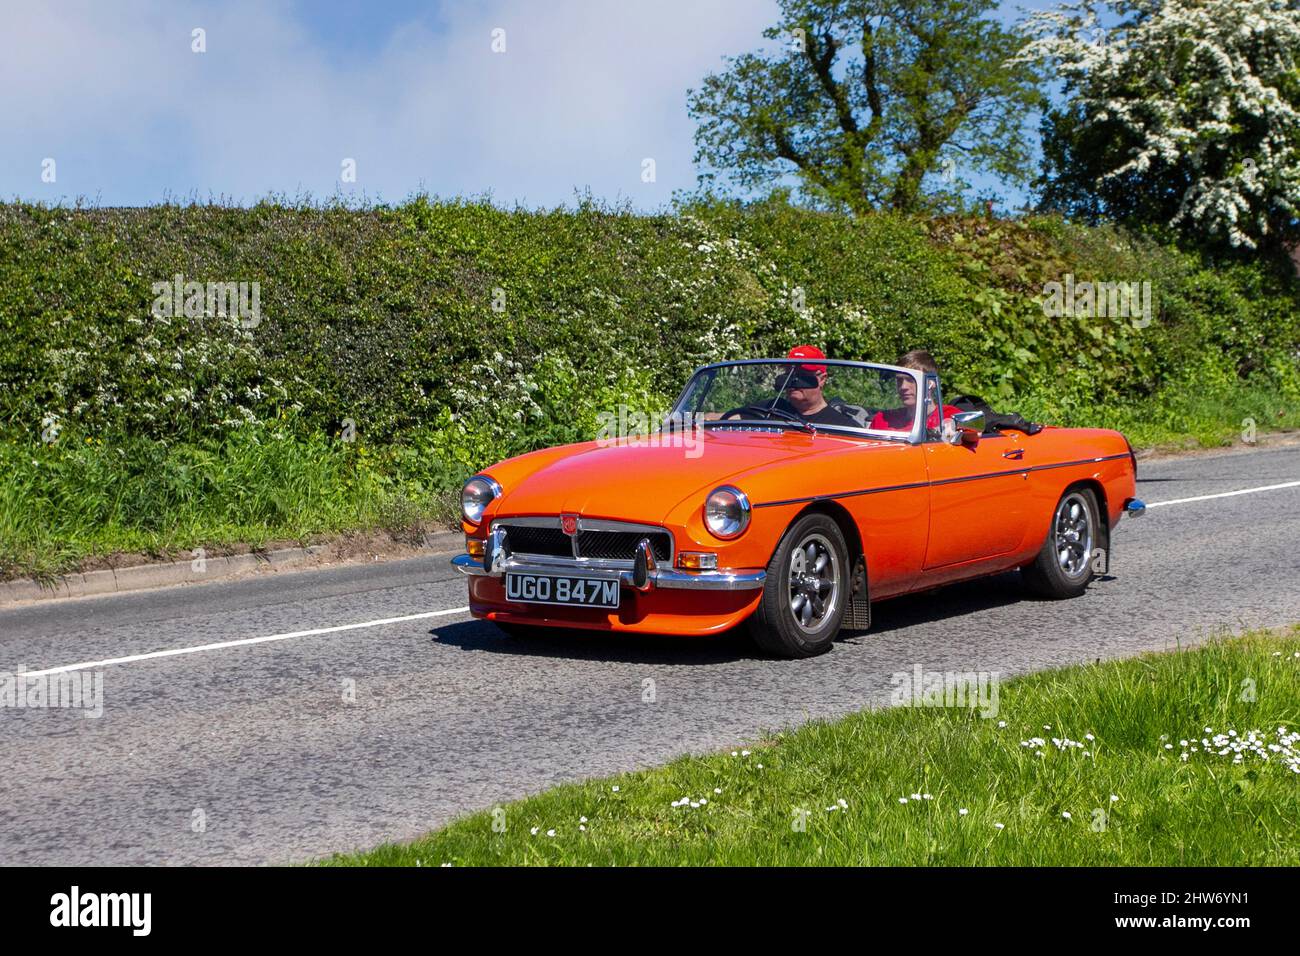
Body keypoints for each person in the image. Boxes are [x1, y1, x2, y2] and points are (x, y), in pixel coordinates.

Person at [869, 349, 961, 432]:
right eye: (899, 380)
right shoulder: (882, 419)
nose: (903, 386)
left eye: (911, 379)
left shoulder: (950, 415)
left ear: (931, 383)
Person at [776, 345, 860, 428]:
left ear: (822, 379)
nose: (794, 380)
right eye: (789, 373)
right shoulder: (768, 411)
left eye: (802, 375)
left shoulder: (844, 426)